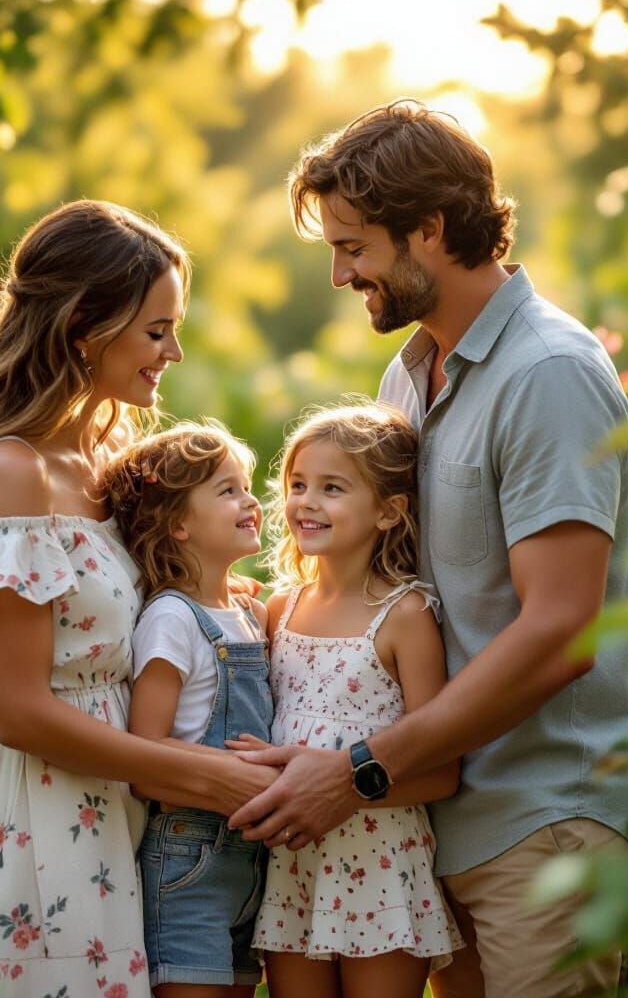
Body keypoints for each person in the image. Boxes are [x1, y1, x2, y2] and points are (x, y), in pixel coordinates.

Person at [229, 101, 628, 997]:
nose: (342, 274)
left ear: (429, 229)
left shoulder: (548, 374)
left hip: (544, 824)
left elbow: (564, 629)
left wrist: (358, 772)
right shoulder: (409, 370)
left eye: (355, 248)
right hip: (431, 820)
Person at [0, 200, 277, 997]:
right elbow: (24, 713)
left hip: (132, 811)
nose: (173, 352)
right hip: (46, 817)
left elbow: (127, 615)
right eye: (156, 330)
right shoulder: (14, 472)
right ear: (86, 325)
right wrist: (208, 778)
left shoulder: (106, 457)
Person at [234, 402, 462, 998]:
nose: (307, 502)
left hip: (381, 868)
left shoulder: (405, 615)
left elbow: (440, 770)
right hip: (295, 866)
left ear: (389, 511)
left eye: (332, 489)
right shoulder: (278, 612)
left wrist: (343, 790)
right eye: (298, 485)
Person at [103, 421, 271, 997]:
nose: (250, 500)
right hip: (188, 862)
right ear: (177, 523)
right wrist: (239, 779)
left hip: (252, 863)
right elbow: (145, 752)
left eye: (246, 486)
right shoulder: (172, 618)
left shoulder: (249, 613)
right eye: (226, 490)